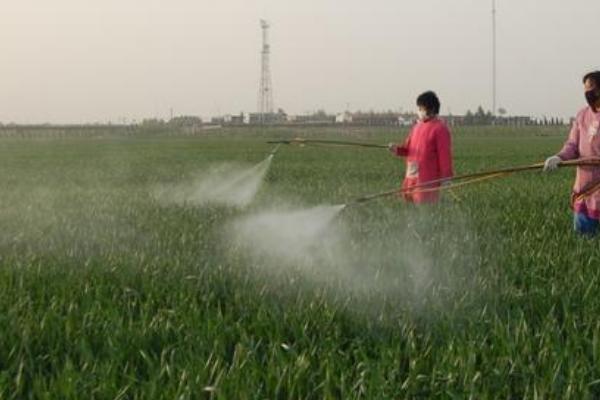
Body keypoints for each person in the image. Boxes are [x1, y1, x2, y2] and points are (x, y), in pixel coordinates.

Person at [544, 71, 600, 236]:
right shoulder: (582, 115)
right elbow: (572, 145)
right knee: (583, 251)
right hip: (584, 195)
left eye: (592, 90)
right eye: (586, 91)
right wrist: (559, 157)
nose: (588, 94)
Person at [388, 91, 453, 204]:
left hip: (427, 179)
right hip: (411, 177)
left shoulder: (440, 128)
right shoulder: (416, 127)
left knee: (424, 208)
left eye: (421, 108)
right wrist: (397, 149)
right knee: (409, 206)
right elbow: (408, 149)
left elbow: (444, 155)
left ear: (431, 109)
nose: (419, 111)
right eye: (419, 108)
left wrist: (446, 176)